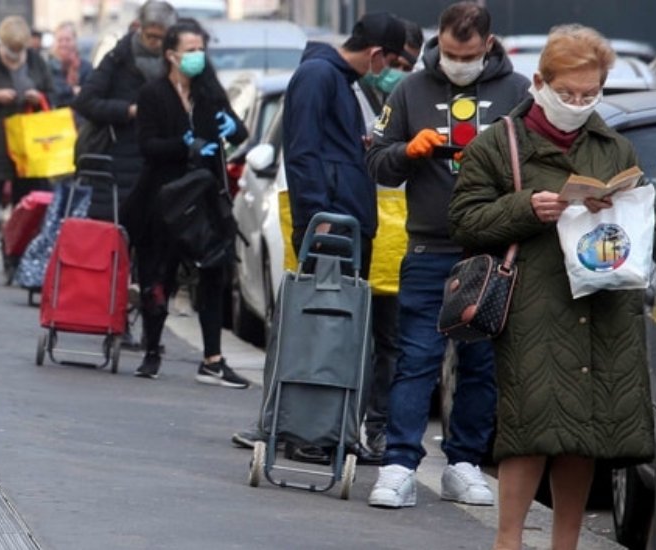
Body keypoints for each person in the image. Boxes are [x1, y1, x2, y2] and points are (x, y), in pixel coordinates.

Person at [449, 24, 656, 550]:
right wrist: (527, 207)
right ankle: (508, 541)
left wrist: (624, 208)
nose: (578, 103)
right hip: (534, 305)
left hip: (601, 302)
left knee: (583, 434)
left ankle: (565, 543)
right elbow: (465, 220)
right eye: (567, 93)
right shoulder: (501, 143)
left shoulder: (612, 145)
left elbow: (636, 222)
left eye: (590, 94)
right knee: (529, 429)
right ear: (539, 82)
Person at [365, 1, 529, 509]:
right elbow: (376, 161)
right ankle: (398, 465)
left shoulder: (517, 91)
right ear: (439, 40)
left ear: (488, 44)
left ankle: (464, 463)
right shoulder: (410, 89)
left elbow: (537, 161)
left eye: (469, 54)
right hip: (428, 245)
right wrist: (405, 151)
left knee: (480, 363)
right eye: (451, 53)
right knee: (417, 359)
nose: (458, 62)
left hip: (489, 250)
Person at [228, 11, 407, 453]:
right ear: (377, 54)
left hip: (343, 223)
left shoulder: (338, 81)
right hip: (332, 225)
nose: (388, 72)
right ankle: (294, 427)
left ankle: (317, 427)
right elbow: (303, 151)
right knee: (313, 326)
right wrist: (318, 215)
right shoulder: (318, 76)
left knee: (335, 329)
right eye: (392, 62)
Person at [125, 18, 249, 387]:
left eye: (201, 50)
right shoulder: (153, 94)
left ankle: (213, 359)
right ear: (171, 56)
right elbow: (146, 146)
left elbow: (239, 130)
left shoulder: (209, 92)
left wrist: (233, 128)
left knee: (212, 274)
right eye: (190, 51)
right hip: (162, 201)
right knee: (157, 276)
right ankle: (152, 350)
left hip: (204, 200)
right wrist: (185, 145)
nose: (198, 57)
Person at [354, 17, 424, 466]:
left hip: (400, 242)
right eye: (395, 60)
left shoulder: (417, 100)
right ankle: (342, 425)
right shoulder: (355, 90)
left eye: (408, 63)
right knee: (352, 341)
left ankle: (377, 430)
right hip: (361, 230)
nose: (398, 68)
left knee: (392, 345)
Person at [72, 0, 177, 222]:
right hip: (118, 165)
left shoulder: (177, 61)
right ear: (139, 28)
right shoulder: (118, 58)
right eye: (151, 37)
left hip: (161, 161)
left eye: (163, 38)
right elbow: (85, 101)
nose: (157, 44)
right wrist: (127, 111)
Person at [0, 16, 54, 273]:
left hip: (28, 143)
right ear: (2, 44)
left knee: (23, 201)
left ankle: (15, 254)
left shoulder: (37, 61)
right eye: (10, 50)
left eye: (19, 50)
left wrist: (38, 97)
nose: (15, 55)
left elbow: (53, 93)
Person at [47, 22, 92, 109]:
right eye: (60, 40)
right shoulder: (47, 67)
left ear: (75, 41)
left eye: (68, 40)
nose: (64, 44)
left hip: (80, 119)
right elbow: (52, 95)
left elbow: (89, 95)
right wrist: (72, 90)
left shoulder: (86, 67)